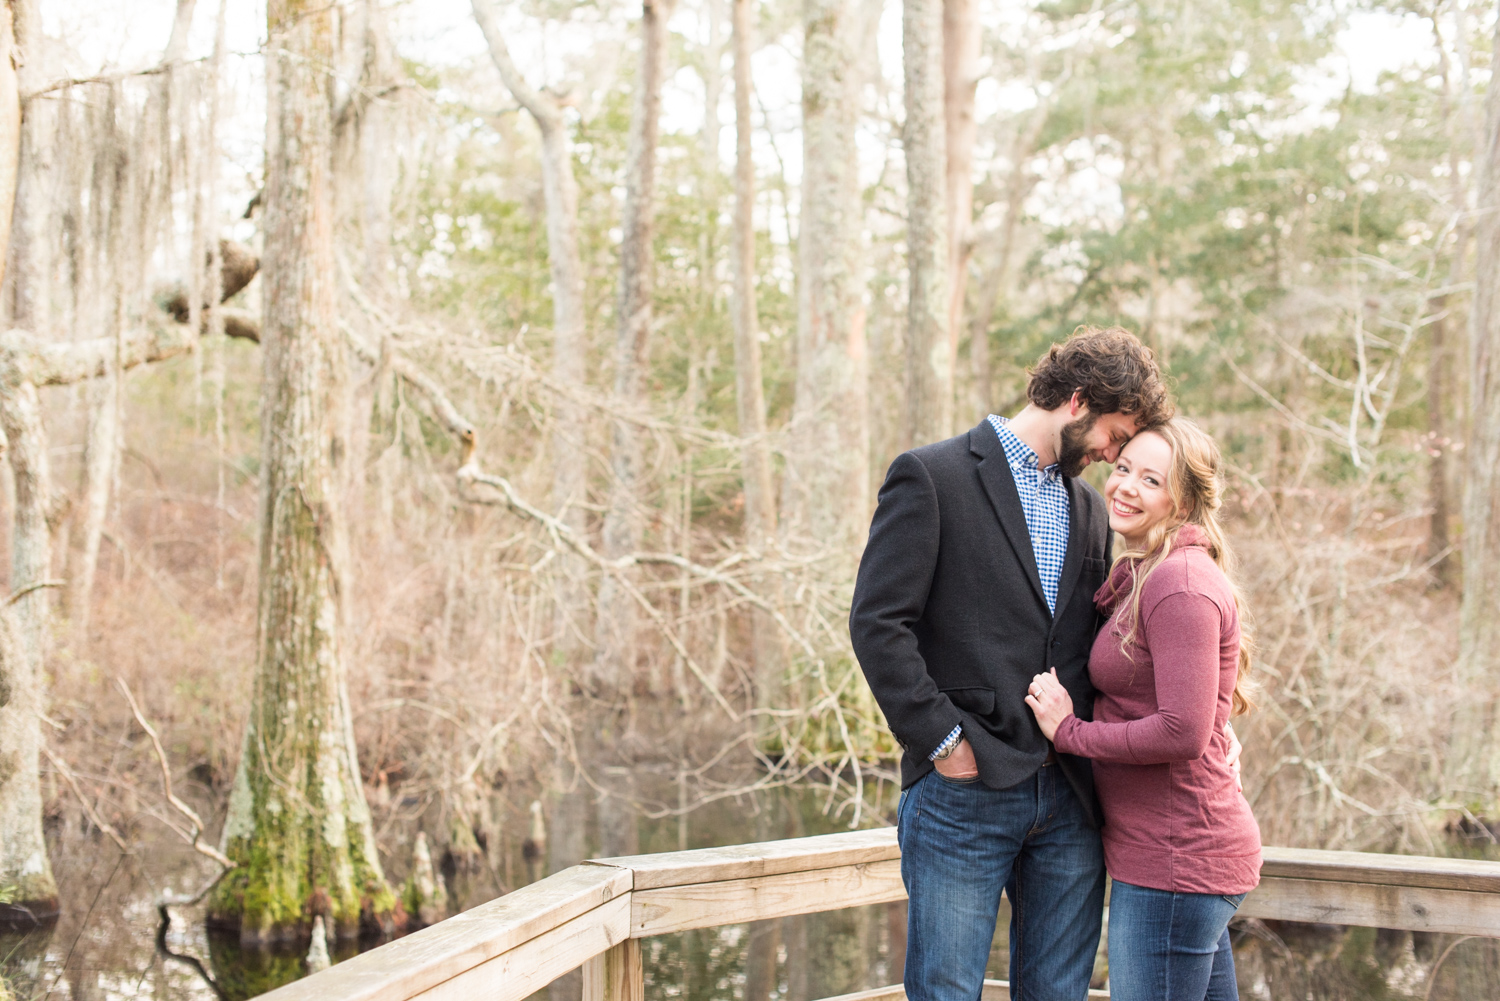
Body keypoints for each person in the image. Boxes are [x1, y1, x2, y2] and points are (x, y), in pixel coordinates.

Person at [850, 325, 1173, 1001]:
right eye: (1116, 433)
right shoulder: (931, 475)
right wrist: (945, 740)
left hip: (1069, 799)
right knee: (947, 991)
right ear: (1078, 400)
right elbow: (878, 624)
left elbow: (1089, 643)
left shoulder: (1088, 505)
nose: (1116, 455)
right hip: (962, 792)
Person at [1026, 417, 1261, 1001]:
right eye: (1124, 468)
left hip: (1177, 862)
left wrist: (1069, 732)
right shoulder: (1144, 574)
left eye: (1150, 479)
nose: (1125, 486)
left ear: (1181, 499)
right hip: (1169, 857)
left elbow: (1181, 731)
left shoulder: (1177, 583)